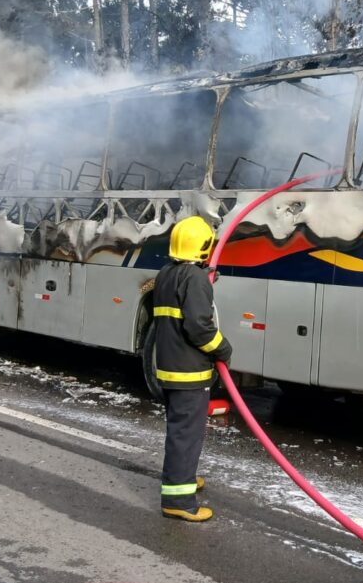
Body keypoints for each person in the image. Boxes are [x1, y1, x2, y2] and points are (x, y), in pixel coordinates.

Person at [152, 215, 233, 522]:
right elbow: (199, 327)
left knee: (180, 431)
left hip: (170, 368)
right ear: (203, 247)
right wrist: (223, 349)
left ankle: (183, 477)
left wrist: (204, 277)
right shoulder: (195, 279)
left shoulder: (166, 273)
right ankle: (179, 500)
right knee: (186, 435)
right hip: (190, 372)